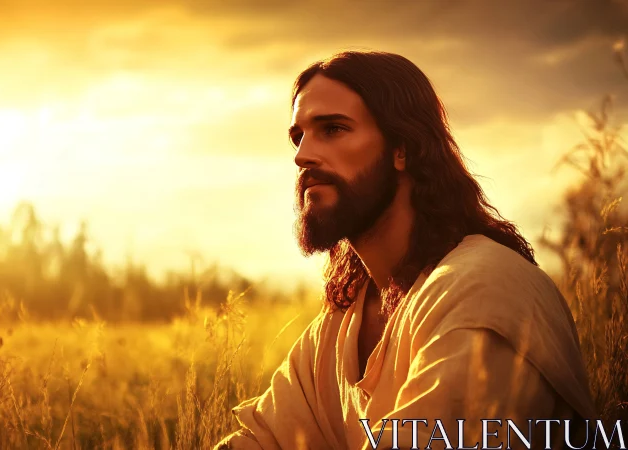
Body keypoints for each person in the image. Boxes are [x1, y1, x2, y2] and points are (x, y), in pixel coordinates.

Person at [214, 51, 596, 450]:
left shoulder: (483, 287)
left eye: (333, 129)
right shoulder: (339, 326)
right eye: (299, 136)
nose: (302, 156)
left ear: (403, 149)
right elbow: (263, 440)